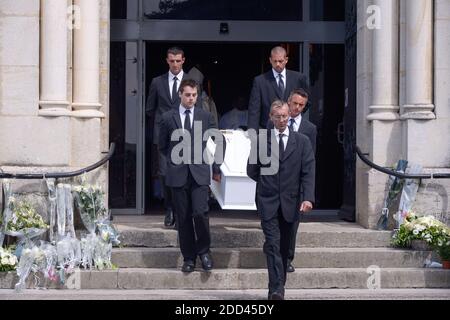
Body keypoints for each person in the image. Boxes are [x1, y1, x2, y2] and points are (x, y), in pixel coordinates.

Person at [247, 100, 315, 300]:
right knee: (273, 244)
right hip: (268, 201)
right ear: (271, 117)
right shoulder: (261, 140)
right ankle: (275, 290)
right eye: (277, 116)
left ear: (289, 116)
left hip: (291, 203)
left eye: (285, 116)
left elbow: (308, 172)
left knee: (285, 247)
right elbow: (252, 170)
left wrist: (308, 198)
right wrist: (268, 184)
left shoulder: (302, 141)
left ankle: (279, 284)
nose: (282, 120)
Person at [159, 79, 224, 273]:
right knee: (183, 217)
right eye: (187, 95)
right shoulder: (168, 117)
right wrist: (171, 163)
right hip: (177, 174)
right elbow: (162, 145)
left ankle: (204, 251)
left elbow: (218, 139)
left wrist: (217, 166)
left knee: (200, 213)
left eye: (194, 95)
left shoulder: (204, 116)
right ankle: (189, 257)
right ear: (180, 94)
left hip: (199, 173)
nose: (191, 99)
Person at [146, 47, 189, 228]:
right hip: (163, 135)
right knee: (164, 174)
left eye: (178, 61)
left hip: (185, 134)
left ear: (183, 60)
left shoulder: (191, 82)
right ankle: (169, 208)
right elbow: (150, 109)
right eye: (172, 61)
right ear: (167, 61)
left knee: (183, 174)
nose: (175, 64)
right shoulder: (157, 82)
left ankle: (181, 211)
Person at [248, 46, 309, 130]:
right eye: (275, 61)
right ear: (270, 60)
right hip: (266, 129)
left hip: (291, 128)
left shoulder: (298, 78)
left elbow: (306, 102)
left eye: (280, 61)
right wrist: (252, 135)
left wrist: (295, 115)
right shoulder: (260, 81)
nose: (277, 64)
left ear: (286, 60)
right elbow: (254, 110)